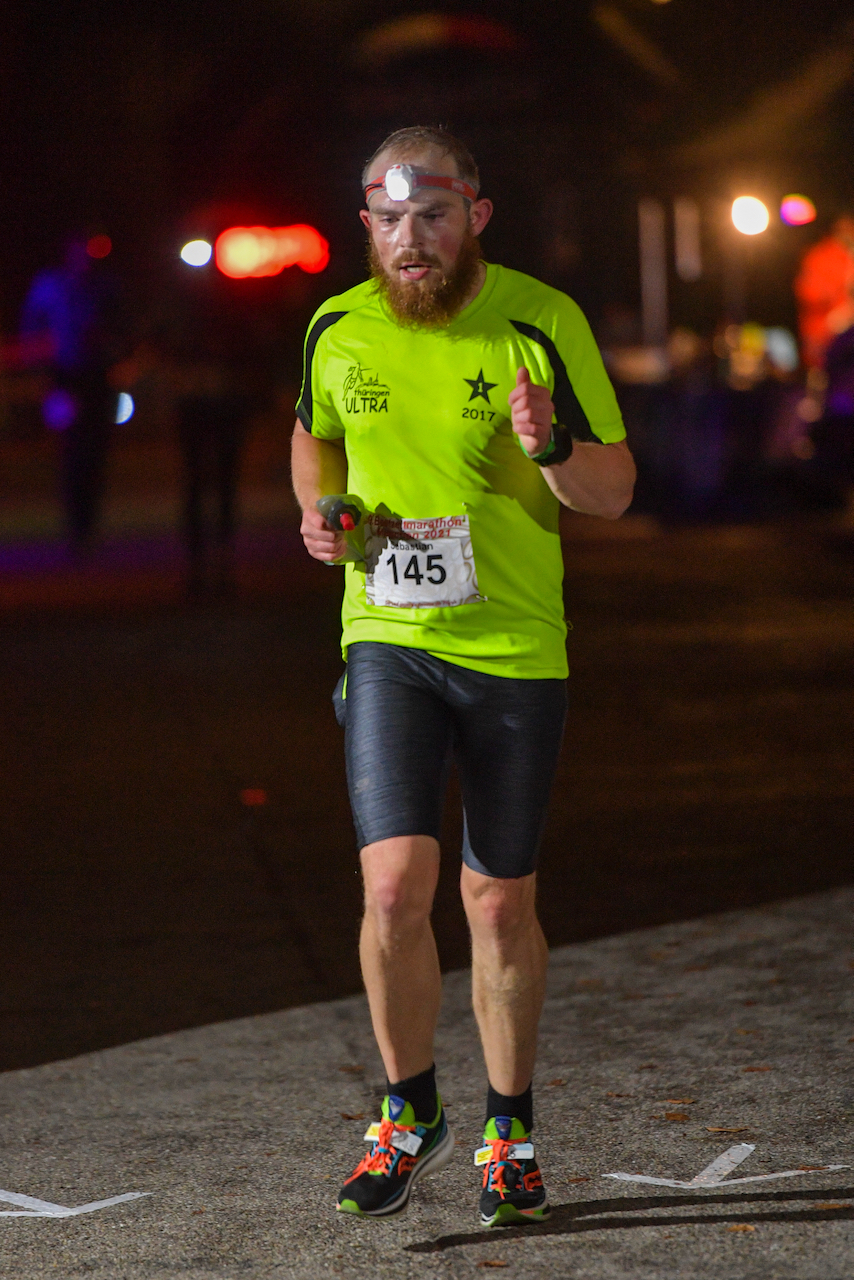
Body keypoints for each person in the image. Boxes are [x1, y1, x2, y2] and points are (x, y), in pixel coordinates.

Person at [291, 127, 635, 1227]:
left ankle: (507, 1128)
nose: (410, 242)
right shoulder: (334, 325)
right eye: (388, 221)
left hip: (514, 651)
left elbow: (614, 490)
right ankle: (405, 1109)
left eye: (431, 217)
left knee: (495, 902)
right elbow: (313, 435)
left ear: (476, 215)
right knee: (392, 885)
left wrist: (547, 449)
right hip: (387, 634)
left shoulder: (542, 321)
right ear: (366, 226)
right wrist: (320, 509)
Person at [20, 234, 124, 551]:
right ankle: (75, 527)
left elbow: (119, 329)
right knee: (71, 453)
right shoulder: (50, 285)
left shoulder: (105, 287)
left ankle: (88, 525)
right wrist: (40, 366)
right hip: (64, 378)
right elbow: (32, 325)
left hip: (97, 380)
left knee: (94, 453)